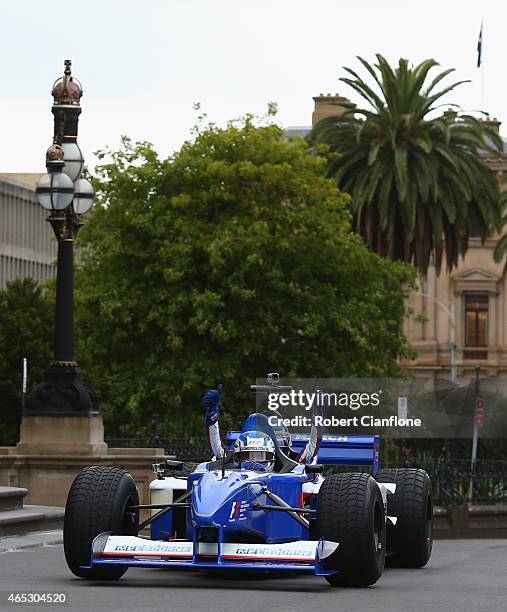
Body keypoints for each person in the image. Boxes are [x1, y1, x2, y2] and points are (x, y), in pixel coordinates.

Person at [202, 385, 322, 469]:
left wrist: (318, 418)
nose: (254, 463)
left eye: (260, 456)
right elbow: (218, 449)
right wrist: (212, 418)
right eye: (247, 455)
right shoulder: (232, 462)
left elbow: (311, 448)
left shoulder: (296, 466)